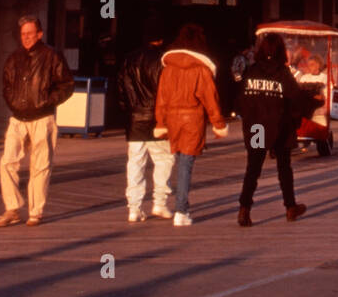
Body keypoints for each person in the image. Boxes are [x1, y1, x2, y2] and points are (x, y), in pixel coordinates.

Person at [0, 15, 74, 228]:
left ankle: (35, 211)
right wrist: (13, 103)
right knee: (7, 162)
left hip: (42, 118)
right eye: (23, 34)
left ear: (39, 34)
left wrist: (47, 102)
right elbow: (6, 85)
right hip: (18, 119)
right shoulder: (13, 58)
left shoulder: (52, 56)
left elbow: (66, 85)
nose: (26, 37)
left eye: (30, 33)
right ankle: (12, 208)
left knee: (41, 166)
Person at [235, 30, 321, 225]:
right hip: (279, 126)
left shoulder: (251, 71)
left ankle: (244, 209)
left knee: (253, 168)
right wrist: (313, 101)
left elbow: (240, 100)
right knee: (284, 167)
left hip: (257, 126)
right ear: (281, 51)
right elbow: (296, 98)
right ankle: (290, 207)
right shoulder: (283, 73)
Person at [153, 24, 228, 226]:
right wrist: (218, 124)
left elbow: (161, 98)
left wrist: (161, 122)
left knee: (178, 162)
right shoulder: (201, 69)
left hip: (172, 119)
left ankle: (171, 205)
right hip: (192, 119)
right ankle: (181, 211)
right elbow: (210, 99)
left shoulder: (168, 68)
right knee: (186, 165)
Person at [116, 25, 174, 222]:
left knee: (135, 162)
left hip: (135, 118)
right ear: (160, 39)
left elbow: (121, 89)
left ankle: (134, 207)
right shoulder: (163, 60)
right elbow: (166, 92)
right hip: (157, 118)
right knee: (164, 159)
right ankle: (159, 203)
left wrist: (128, 111)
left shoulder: (128, 59)